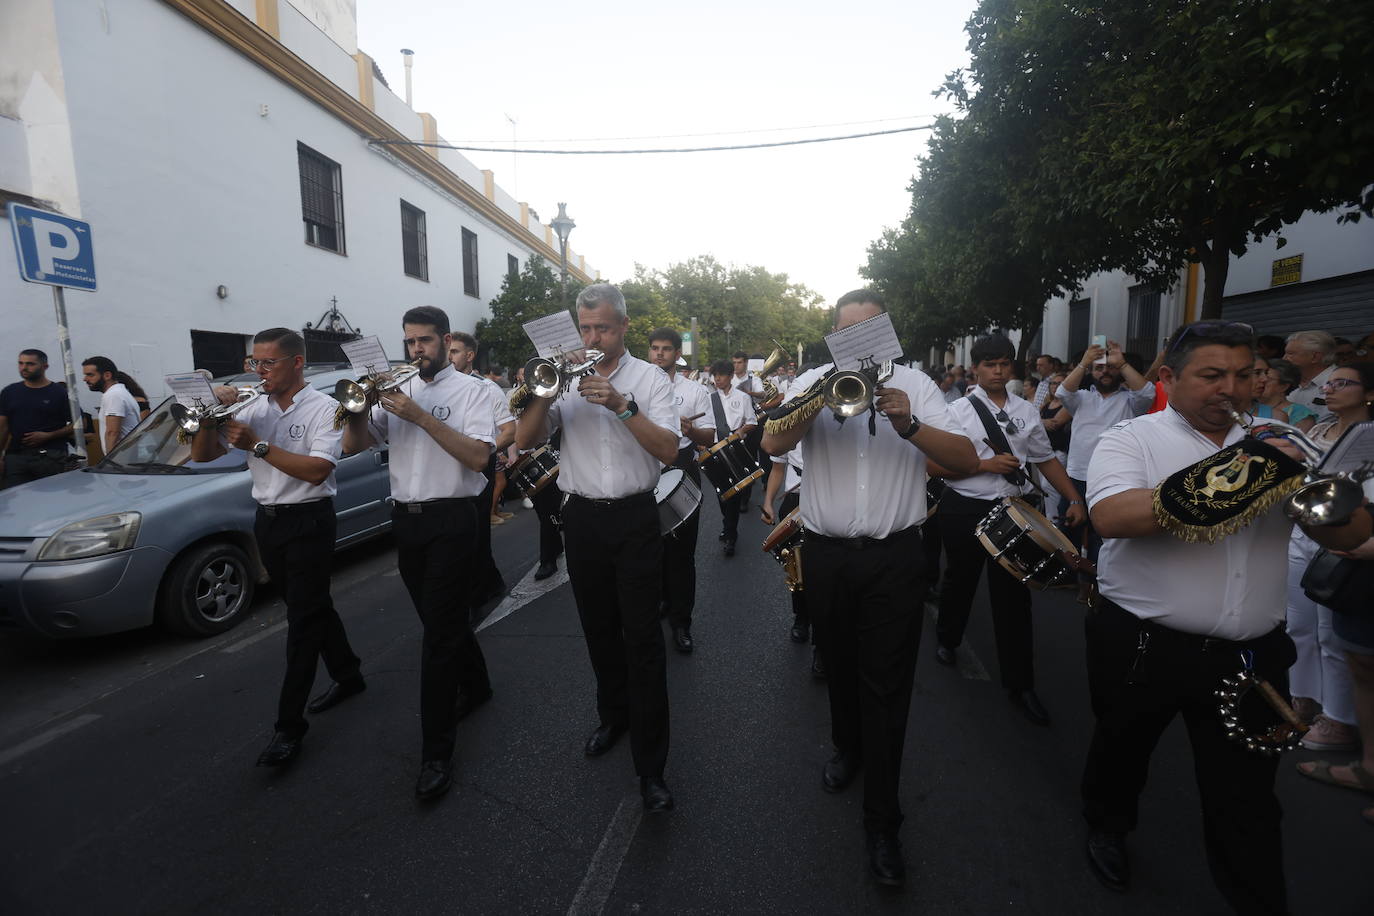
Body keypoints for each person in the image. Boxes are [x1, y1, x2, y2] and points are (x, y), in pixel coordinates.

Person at [1080, 322, 1372, 912]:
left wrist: (1324, 498)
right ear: (1168, 378)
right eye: (1212, 376)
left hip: (1251, 655)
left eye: (1245, 376)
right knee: (1122, 747)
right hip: (1143, 643)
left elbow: (1352, 533)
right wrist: (1251, 468)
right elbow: (1113, 517)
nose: (1231, 389)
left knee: (1249, 799)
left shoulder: (1282, 439)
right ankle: (1107, 825)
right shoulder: (1131, 439)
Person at [761, 289, 978, 887]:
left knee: (887, 686)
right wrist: (814, 399)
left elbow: (962, 460)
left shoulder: (920, 385)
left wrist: (909, 421)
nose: (857, 337)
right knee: (837, 661)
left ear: (886, 330)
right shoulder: (813, 379)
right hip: (827, 555)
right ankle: (847, 746)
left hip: (894, 557)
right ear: (835, 336)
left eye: (869, 326)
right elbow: (772, 445)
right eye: (846, 330)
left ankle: (883, 820)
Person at [514, 283, 680, 813]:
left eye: (602, 328)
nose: (592, 337)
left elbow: (670, 450)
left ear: (624, 326)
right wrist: (543, 391)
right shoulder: (563, 379)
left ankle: (652, 767)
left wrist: (623, 407)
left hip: (634, 516)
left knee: (644, 640)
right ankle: (614, 716)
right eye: (585, 328)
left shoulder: (649, 378)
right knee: (599, 629)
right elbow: (525, 440)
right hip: (582, 517)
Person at [189, 328, 364, 770]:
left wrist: (259, 445)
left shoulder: (327, 408)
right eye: (254, 363)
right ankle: (348, 674)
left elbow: (318, 472)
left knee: (302, 622)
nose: (259, 371)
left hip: (309, 521)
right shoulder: (250, 404)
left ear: (296, 362)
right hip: (267, 521)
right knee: (312, 607)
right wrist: (209, 415)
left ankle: (289, 728)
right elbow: (203, 455)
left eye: (268, 363)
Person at [343, 307, 496, 799]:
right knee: (440, 622)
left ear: (445, 340)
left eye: (425, 342)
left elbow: (478, 458)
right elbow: (352, 446)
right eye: (410, 343)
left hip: (453, 518)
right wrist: (361, 408)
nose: (416, 351)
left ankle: (436, 753)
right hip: (406, 521)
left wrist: (421, 417)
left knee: (436, 641)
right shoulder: (398, 390)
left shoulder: (472, 391)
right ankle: (478, 686)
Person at [929, 336, 1086, 725]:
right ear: (976, 369)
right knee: (960, 579)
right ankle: (948, 638)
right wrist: (983, 466)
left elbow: (1045, 459)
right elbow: (932, 467)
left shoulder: (1026, 411)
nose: (998, 371)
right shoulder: (956, 412)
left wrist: (1074, 499)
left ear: (1012, 368)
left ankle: (1020, 684)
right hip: (964, 506)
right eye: (989, 365)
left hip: (1013, 509)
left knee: (1014, 598)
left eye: (1004, 364)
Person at [1282, 361, 1374, 752]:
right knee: (1298, 625)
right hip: (1305, 535)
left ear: (1369, 394)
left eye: (1344, 383)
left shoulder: (1368, 437)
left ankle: (1339, 718)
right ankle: (1302, 697)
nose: (1331, 388)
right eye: (1330, 381)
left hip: (1350, 539)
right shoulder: (1317, 430)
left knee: (1333, 635)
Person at [1054, 340, 1155, 598]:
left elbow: (1148, 393)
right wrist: (1085, 362)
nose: (1105, 372)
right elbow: (1062, 393)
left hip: (1113, 478)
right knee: (1070, 530)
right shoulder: (1081, 398)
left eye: (1111, 368)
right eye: (1099, 368)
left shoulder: (1131, 401)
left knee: (1104, 535)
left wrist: (1121, 362)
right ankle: (1073, 579)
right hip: (1076, 474)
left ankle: (1098, 584)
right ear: (1091, 372)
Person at [648, 329, 713, 654]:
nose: (659, 354)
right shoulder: (635, 385)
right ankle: (661, 601)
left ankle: (681, 622)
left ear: (677, 354)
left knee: (682, 554)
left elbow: (709, 437)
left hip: (682, 468)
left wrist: (691, 429)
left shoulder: (695, 391)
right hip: (645, 468)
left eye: (666, 349)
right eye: (655, 348)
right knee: (649, 549)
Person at [448, 332, 515, 607]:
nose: (449, 356)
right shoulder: (440, 388)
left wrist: (480, 453)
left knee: (476, 534)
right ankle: (491, 582)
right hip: (450, 469)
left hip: (479, 466)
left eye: (454, 351)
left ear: (470, 356)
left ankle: (478, 596)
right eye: (447, 350)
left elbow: (509, 431)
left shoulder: (487, 388)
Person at [0, 349, 74, 488]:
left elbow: (79, 423)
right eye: (21, 363)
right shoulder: (10, 392)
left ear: (44, 366)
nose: (24, 368)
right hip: (16, 457)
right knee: (16, 500)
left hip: (51, 457)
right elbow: (3, 427)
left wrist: (48, 436)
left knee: (52, 499)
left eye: (30, 364)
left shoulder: (59, 392)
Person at [707, 359, 756, 559]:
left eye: (721, 375)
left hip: (735, 449)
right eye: (715, 375)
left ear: (730, 376)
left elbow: (752, 421)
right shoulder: (709, 398)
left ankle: (730, 535)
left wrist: (739, 432)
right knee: (721, 494)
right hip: (715, 450)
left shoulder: (742, 397)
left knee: (733, 495)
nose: (717, 379)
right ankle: (727, 526)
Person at [82, 356, 146, 456]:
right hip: (126, 456)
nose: (85, 379)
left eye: (90, 375)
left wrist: (109, 462)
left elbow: (113, 432)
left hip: (122, 459)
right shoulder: (118, 393)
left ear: (107, 375)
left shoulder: (114, 395)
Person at [1282, 330, 1336, 417]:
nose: (1284, 358)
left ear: (1315, 357)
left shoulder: (1340, 383)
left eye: (1291, 354)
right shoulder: (1287, 382)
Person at [1260, 359, 1317, 431]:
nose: (1261, 381)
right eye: (1259, 377)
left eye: (1268, 379)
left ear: (1284, 386)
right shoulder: (1247, 407)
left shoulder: (1300, 414)